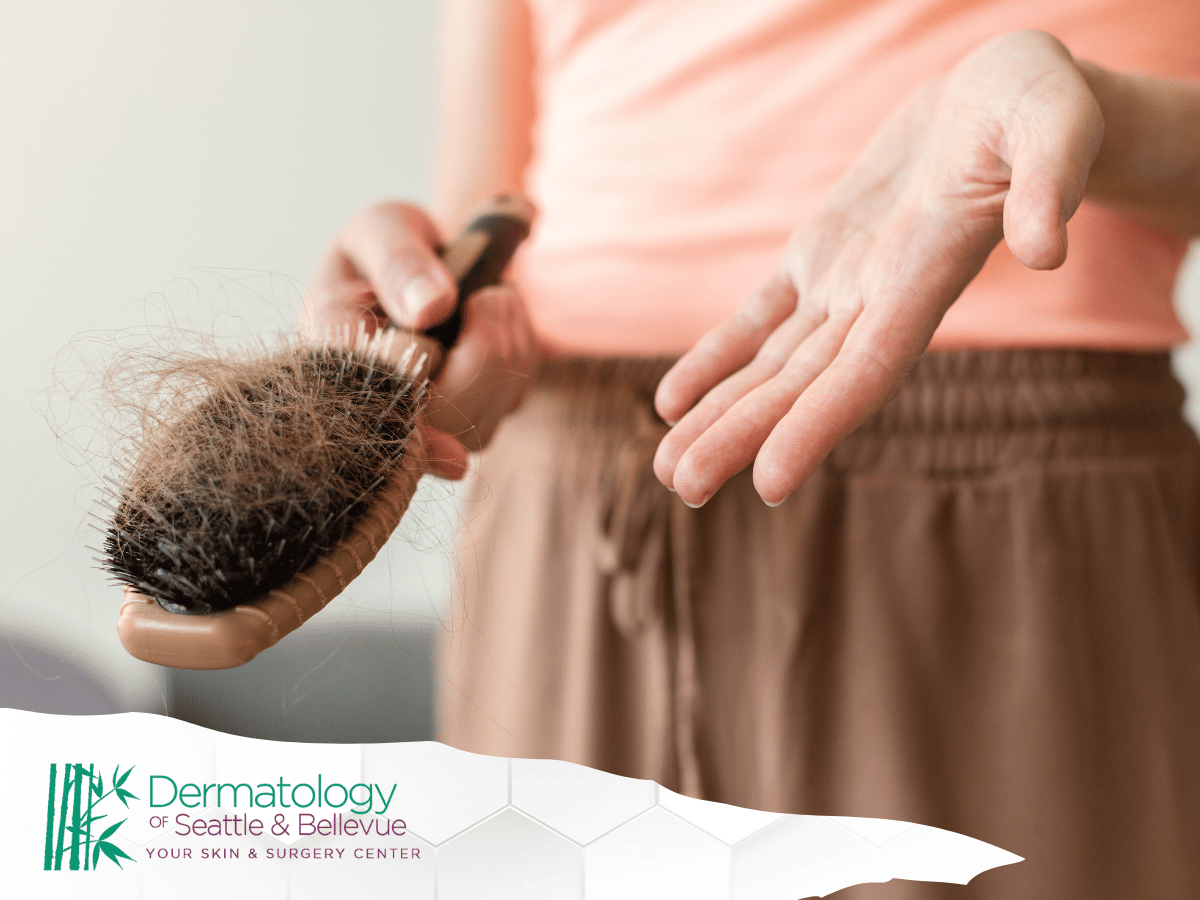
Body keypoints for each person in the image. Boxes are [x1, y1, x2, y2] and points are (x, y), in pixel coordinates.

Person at [302, 1, 1200, 896]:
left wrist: (1096, 120)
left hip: (1009, 520)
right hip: (567, 520)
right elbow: (487, 196)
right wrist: (432, 315)